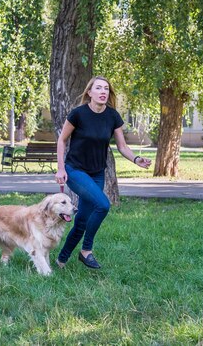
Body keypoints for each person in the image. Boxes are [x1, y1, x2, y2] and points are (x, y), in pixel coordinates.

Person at [54, 76, 152, 269]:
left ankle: (61, 261)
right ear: (89, 92)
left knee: (81, 219)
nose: (103, 92)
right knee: (103, 205)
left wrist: (136, 159)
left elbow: (122, 146)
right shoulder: (78, 114)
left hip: (97, 173)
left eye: (106, 89)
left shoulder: (113, 116)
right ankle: (86, 251)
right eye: (98, 88)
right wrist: (60, 168)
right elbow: (61, 140)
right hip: (75, 170)